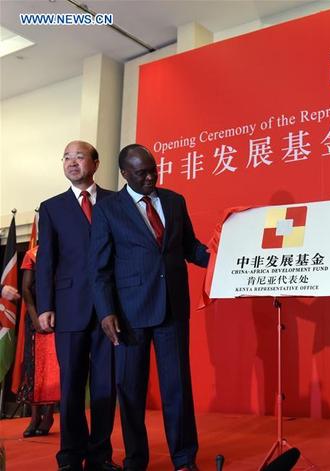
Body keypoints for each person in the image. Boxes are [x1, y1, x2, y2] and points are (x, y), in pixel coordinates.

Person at [90, 144, 209, 471]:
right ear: (125, 174)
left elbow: (190, 248)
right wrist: (106, 311)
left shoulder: (174, 200)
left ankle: (184, 459)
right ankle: (136, 460)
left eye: (154, 169)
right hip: (129, 314)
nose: (151, 177)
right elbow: (99, 269)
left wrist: (223, 258)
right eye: (142, 173)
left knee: (178, 387)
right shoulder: (107, 209)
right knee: (131, 392)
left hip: (172, 307)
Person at [36, 141, 119, 471]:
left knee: (105, 385)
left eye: (79, 157)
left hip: (110, 309)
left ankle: (100, 456)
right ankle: (70, 456)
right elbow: (46, 261)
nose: (72, 163)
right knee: (70, 385)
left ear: (95, 163)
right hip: (69, 306)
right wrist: (45, 305)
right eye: (66, 157)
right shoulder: (52, 207)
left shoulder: (116, 202)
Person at [17, 245, 59, 438]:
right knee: (34, 368)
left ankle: (48, 416)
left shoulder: (62, 250)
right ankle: (34, 417)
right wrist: (35, 318)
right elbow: (25, 289)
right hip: (35, 318)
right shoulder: (32, 254)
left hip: (57, 317)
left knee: (52, 369)